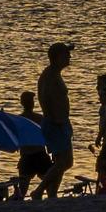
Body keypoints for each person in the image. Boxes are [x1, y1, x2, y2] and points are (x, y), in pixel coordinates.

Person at [35, 42, 73, 200]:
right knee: (63, 161)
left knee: (64, 162)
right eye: (66, 54)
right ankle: (39, 190)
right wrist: (54, 119)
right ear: (57, 58)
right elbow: (44, 98)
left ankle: (51, 193)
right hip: (55, 123)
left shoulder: (55, 73)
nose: (69, 57)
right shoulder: (49, 76)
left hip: (60, 122)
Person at [12, 90, 48, 199]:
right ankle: (38, 193)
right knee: (50, 183)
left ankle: (34, 194)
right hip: (38, 155)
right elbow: (48, 136)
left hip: (29, 156)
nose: (32, 103)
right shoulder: (40, 118)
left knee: (22, 189)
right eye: (31, 101)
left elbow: (15, 140)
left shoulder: (18, 120)